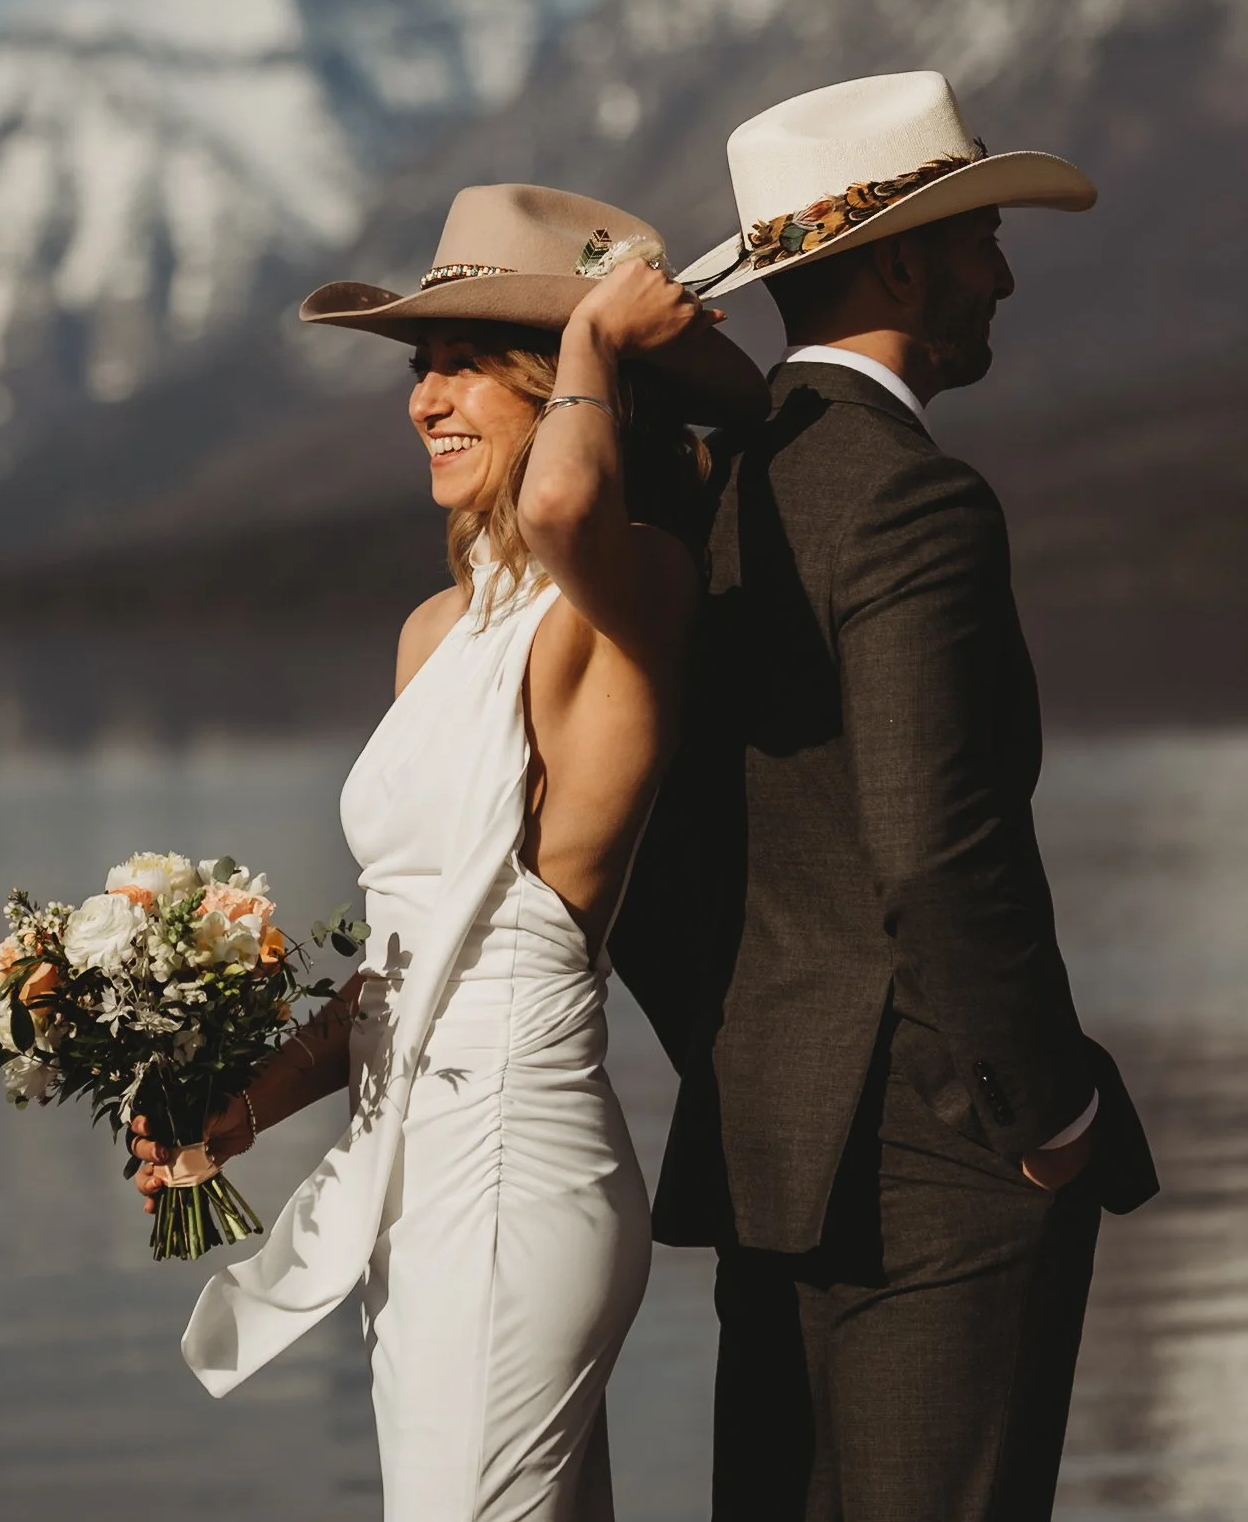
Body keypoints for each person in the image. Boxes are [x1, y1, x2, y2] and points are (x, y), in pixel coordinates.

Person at [131, 183, 767, 1520]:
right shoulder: (437, 635)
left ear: (566, 389)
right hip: (413, 1174)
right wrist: (244, 1103)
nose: (426, 399)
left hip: (507, 1173)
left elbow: (560, 520)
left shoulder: (633, 585)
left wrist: (594, 336)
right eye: (421, 368)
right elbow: (406, 965)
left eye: (471, 365)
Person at [613, 70, 1158, 1522]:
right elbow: (937, 849)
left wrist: (742, 1053)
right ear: (903, 258)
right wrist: (1043, 1117)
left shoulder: (707, 504)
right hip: (939, 1163)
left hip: (767, 1153)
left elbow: (648, 865)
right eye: (979, 236)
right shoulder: (908, 497)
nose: (1003, 273)